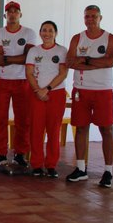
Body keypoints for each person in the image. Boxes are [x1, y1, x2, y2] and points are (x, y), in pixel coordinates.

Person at [65, 5, 113, 187]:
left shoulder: (110, 38)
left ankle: (108, 171)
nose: (90, 19)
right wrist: (96, 62)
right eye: (87, 16)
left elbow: (109, 61)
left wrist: (85, 60)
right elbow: (70, 62)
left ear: (100, 18)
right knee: (81, 128)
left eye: (94, 16)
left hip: (102, 90)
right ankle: (81, 168)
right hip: (81, 89)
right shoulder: (77, 38)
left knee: (106, 129)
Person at [0, 1, 36, 167]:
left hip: (23, 81)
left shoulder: (29, 33)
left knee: (23, 119)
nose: (13, 14)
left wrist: (7, 58)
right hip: (2, 81)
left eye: (16, 11)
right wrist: (16, 59)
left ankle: (20, 153)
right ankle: (0, 153)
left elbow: (28, 58)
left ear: (20, 14)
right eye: (9, 12)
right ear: (5, 15)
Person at [25, 21, 69, 178]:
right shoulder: (34, 51)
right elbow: (29, 72)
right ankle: (36, 164)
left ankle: (51, 164)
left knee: (53, 130)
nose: (47, 33)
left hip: (55, 94)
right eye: (44, 30)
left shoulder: (62, 51)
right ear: (40, 32)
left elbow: (63, 73)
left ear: (56, 33)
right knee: (36, 129)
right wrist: (38, 90)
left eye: (50, 30)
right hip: (36, 94)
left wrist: (47, 89)